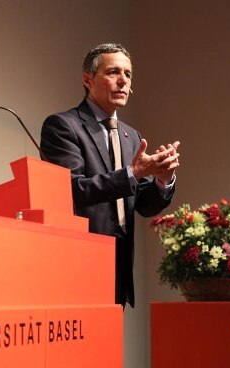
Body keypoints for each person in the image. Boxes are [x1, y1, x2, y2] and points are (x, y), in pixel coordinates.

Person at [40, 43, 180, 308]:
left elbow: (145, 205)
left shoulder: (132, 137)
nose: (123, 81)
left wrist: (163, 179)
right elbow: (72, 190)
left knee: (110, 349)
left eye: (128, 74)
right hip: (78, 261)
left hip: (119, 266)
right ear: (88, 79)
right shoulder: (63, 126)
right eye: (114, 72)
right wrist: (134, 173)